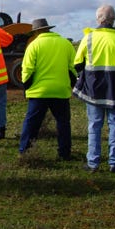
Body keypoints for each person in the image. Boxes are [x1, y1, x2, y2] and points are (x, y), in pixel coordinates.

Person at [73, 5, 115, 173]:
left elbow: (78, 64)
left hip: (94, 90)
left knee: (94, 125)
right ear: (114, 19)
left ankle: (93, 163)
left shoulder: (88, 38)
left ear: (99, 19)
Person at [17, 18, 77, 160]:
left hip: (39, 92)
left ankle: (25, 151)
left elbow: (27, 71)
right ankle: (64, 153)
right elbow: (73, 68)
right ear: (49, 28)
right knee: (63, 123)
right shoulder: (65, 44)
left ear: (36, 31)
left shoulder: (33, 45)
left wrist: (26, 87)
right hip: (60, 91)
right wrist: (70, 83)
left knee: (31, 124)